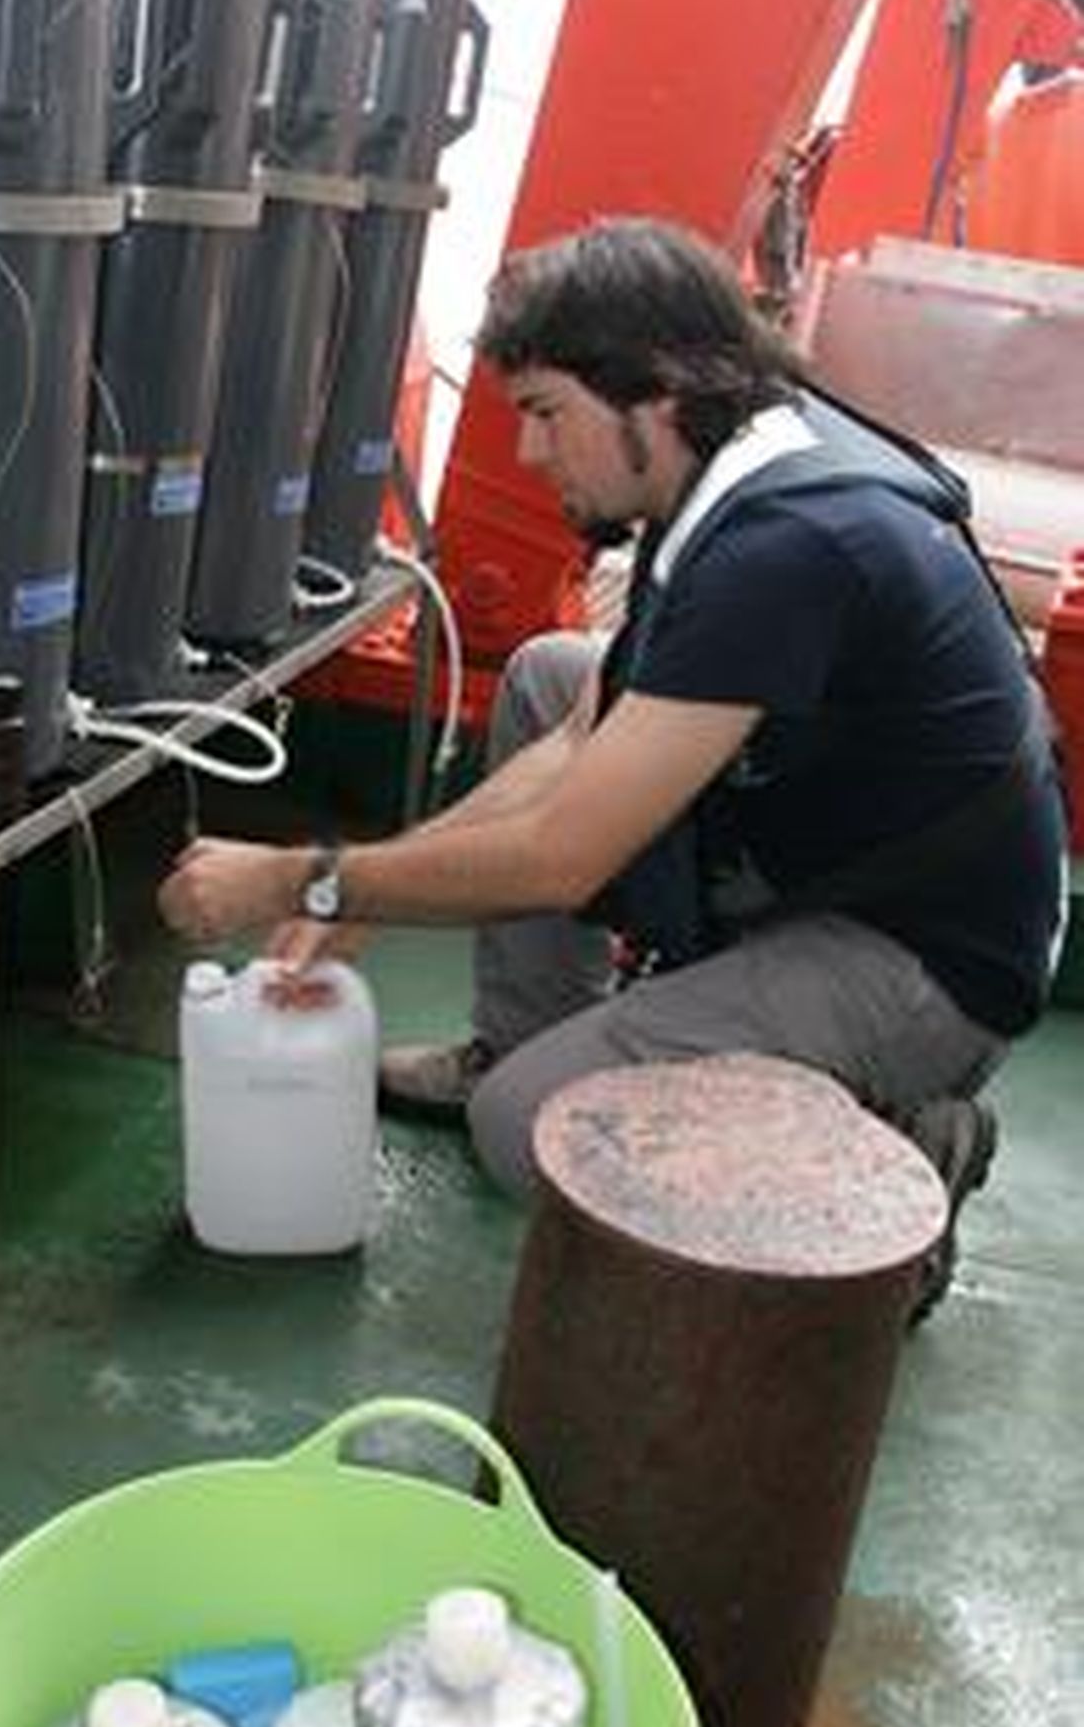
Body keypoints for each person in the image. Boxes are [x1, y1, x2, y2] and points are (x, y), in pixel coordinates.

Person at [158, 217, 1068, 1305]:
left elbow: (560, 860)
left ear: (661, 390)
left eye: (546, 413)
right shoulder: (736, 458)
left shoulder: (789, 548)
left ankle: (900, 1150)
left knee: (534, 1134)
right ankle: (527, 1039)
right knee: (550, 673)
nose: (530, 452)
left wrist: (295, 874)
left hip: (926, 961)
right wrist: (363, 898)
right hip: (846, 854)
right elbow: (584, 737)